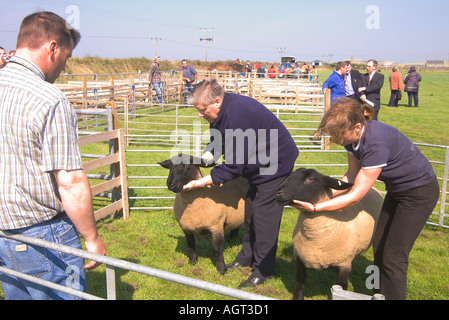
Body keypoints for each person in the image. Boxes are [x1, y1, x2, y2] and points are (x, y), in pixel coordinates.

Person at [0, 11, 106, 300]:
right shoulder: (50, 99)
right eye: (66, 58)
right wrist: (92, 238)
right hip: (45, 233)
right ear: (53, 48)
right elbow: (70, 181)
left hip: (4, 233)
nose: (64, 66)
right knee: (66, 295)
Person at [292, 97, 439, 300]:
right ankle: (378, 293)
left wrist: (316, 208)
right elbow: (351, 176)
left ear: (358, 127)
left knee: (394, 256)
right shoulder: (352, 140)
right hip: (397, 191)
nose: (334, 139)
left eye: (338, 134)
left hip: (419, 193)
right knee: (379, 247)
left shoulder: (376, 144)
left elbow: (355, 196)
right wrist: (323, 198)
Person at [183, 79, 298, 289]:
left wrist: (202, 181)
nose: (199, 114)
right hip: (258, 161)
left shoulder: (237, 116)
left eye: (201, 109)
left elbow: (234, 166)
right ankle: (246, 257)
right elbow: (219, 137)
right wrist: (209, 153)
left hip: (274, 164)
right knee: (251, 210)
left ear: (216, 101)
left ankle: (263, 269)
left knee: (264, 215)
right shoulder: (221, 111)